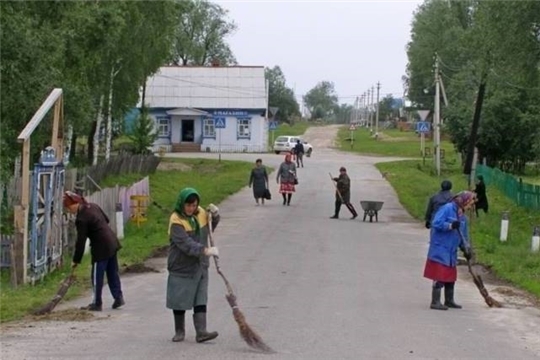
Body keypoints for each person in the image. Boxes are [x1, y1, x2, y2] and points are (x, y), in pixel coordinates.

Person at [166, 187, 220, 343]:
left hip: (200, 264)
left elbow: (210, 229)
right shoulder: (176, 220)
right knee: (179, 298)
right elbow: (185, 244)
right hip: (181, 266)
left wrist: (215, 216)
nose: (191, 208)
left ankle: (201, 332)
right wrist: (205, 250)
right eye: (188, 205)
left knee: (200, 297)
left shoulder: (201, 213)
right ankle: (179, 331)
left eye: (194, 205)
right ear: (181, 204)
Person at [63, 191, 124, 311]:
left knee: (97, 276)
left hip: (101, 248)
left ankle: (97, 303)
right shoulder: (94, 206)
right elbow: (106, 220)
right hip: (112, 242)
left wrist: (76, 260)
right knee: (112, 272)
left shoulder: (81, 218)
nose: (70, 211)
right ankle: (118, 297)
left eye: (69, 208)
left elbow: (80, 241)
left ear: (75, 204)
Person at [423, 191, 475, 311]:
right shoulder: (447, 208)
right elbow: (436, 223)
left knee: (450, 276)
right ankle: (435, 301)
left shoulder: (463, 217)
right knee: (439, 275)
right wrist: (450, 226)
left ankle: (449, 300)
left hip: (451, 250)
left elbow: (463, 235)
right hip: (441, 248)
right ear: (464, 200)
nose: (470, 206)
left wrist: (465, 248)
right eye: (470, 203)